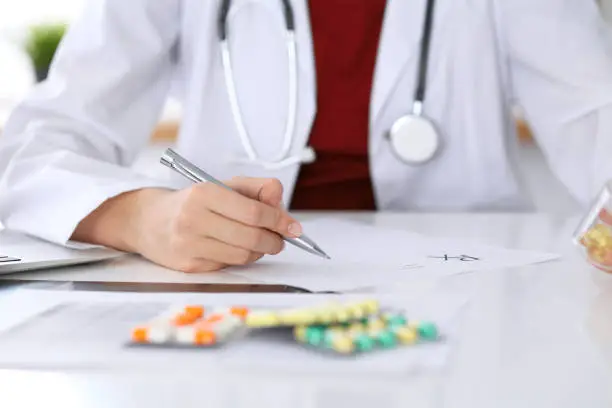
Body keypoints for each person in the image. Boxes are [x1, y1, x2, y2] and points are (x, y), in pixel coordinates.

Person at [1, 0, 611, 273]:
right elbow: (32, 150)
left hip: (478, 301)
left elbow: (598, 110)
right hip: (233, 286)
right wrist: (138, 217)